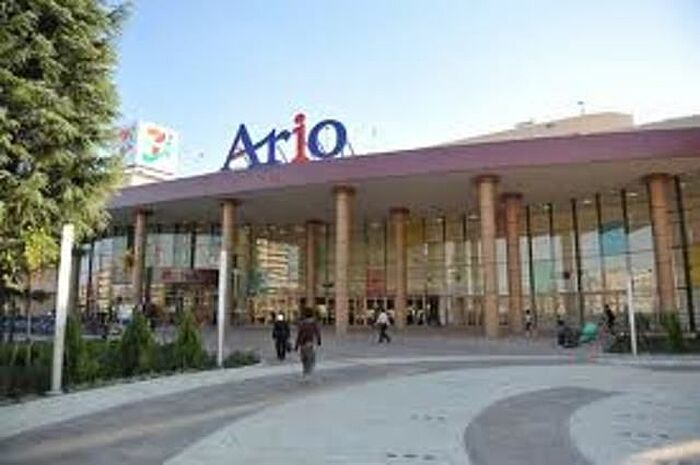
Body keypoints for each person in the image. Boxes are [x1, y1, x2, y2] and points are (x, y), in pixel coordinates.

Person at [294, 307, 321, 376]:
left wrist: (296, 345)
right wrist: (319, 341)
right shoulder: (314, 323)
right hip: (310, 342)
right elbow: (317, 332)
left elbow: (299, 335)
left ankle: (305, 370)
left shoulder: (302, 324)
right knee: (310, 357)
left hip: (303, 343)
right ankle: (309, 370)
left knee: (304, 357)